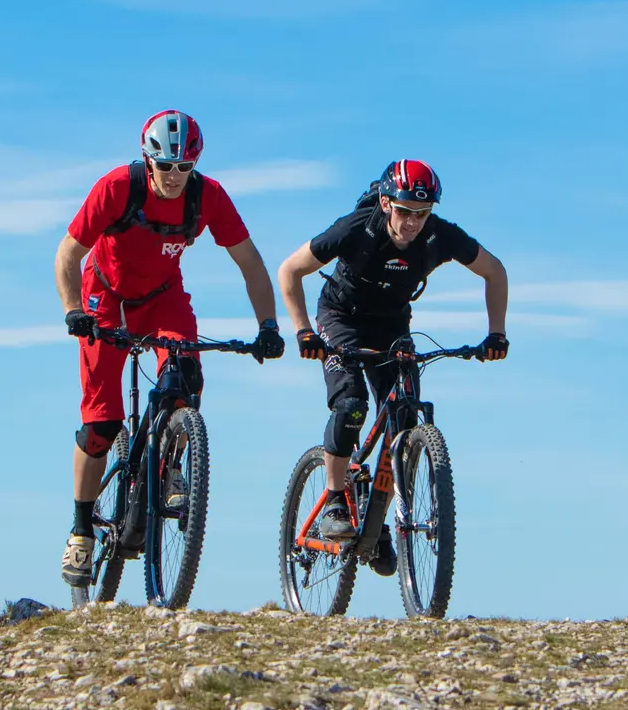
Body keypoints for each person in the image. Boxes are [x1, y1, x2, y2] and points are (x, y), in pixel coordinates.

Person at [55, 109, 285, 586]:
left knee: (185, 379)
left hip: (162, 297)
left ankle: (171, 466)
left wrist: (268, 325)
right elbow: (68, 253)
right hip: (105, 297)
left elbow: (251, 262)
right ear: (148, 160)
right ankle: (81, 531)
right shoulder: (117, 188)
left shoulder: (207, 197)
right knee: (101, 424)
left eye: (185, 167)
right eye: (166, 167)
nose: (175, 177)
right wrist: (72, 308)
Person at [278, 159, 508, 572]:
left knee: (403, 416)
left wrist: (496, 333)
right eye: (404, 211)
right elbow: (290, 270)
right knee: (351, 405)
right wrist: (303, 332)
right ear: (386, 203)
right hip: (340, 318)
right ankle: (334, 500)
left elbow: (495, 272)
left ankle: (377, 522)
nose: (412, 223)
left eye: (422, 214)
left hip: (392, 326)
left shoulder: (442, 236)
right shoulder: (356, 229)